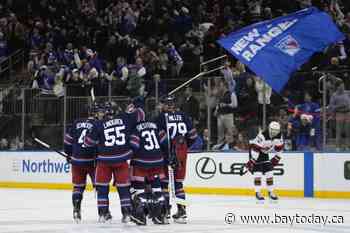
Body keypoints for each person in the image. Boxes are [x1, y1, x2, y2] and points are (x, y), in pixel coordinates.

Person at [84, 102, 133, 223]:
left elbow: (88, 143)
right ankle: (126, 214)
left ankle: (103, 214)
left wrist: (91, 134)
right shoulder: (124, 120)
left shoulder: (99, 124)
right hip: (122, 159)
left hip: (105, 160)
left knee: (102, 188)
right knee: (123, 188)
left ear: (105, 113)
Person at [156, 95, 197, 223]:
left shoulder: (161, 118)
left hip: (167, 153)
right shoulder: (183, 116)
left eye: (162, 104)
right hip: (181, 152)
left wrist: (169, 150)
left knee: (164, 183)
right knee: (178, 183)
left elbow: (161, 138)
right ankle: (182, 212)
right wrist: (183, 147)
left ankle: (165, 212)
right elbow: (193, 135)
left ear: (164, 105)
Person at [63, 104, 101, 222]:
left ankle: (76, 210)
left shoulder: (76, 123)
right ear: (95, 114)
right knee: (100, 186)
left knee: (78, 187)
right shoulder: (98, 124)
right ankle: (104, 212)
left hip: (77, 160)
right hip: (92, 161)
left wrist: (69, 154)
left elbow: (67, 141)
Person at [129, 116, 168, 225]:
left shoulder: (136, 127)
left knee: (139, 188)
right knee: (157, 188)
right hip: (158, 160)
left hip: (141, 161)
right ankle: (161, 216)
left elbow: (134, 145)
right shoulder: (156, 125)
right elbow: (165, 141)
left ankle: (140, 216)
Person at [247, 121, 284, 201]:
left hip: (264, 152)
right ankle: (258, 192)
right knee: (258, 173)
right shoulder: (262, 136)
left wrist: (277, 158)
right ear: (269, 129)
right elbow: (255, 149)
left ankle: (270, 192)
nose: (274, 132)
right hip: (255, 151)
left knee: (269, 172)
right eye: (273, 130)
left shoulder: (279, 136)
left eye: (276, 131)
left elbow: (279, 149)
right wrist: (252, 161)